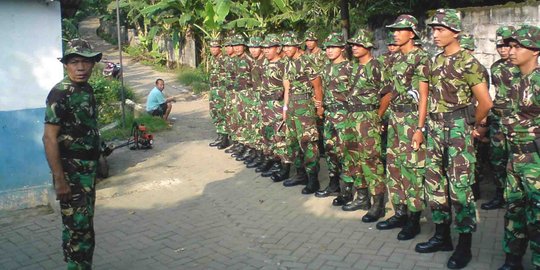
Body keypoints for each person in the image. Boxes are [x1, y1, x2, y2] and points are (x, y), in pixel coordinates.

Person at [414, 9, 492, 270]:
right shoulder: (433, 61)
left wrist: (472, 124)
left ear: (455, 32)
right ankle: (442, 236)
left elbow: (485, 102)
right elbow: (424, 98)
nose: (435, 34)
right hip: (434, 129)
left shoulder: (468, 63)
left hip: (457, 128)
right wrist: (420, 127)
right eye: (433, 30)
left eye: (441, 30)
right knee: (434, 184)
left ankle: (464, 245)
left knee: (460, 188)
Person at [42, 38, 102, 270]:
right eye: (75, 62)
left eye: (85, 62)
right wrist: (60, 180)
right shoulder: (60, 94)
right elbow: (49, 137)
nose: (80, 67)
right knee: (81, 232)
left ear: (93, 64)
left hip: (87, 172)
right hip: (71, 174)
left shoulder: (86, 89)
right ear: (66, 65)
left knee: (79, 226)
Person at [377, 14, 430, 240]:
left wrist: (420, 128)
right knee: (395, 166)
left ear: (412, 33)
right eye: (394, 30)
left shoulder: (421, 58)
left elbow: (424, 97)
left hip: (411, 121)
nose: (395, 33)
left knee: (413, 169)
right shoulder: (396, 59)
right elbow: (391, 91)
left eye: (400, 30)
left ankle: (413, 219)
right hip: (396, 119)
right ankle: (399, 211)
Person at [498, 24, 540, 270]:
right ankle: (512, 259)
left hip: (535, 159)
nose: (512, 51)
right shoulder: (512, 79)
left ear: (535, 51)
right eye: (510, 46)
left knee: (537, 216)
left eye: (518, 46)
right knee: (513, 210)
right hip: (514, 157)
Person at [343, 29, 387, 223]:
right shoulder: (353, 67)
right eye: (352, 45)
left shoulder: (376, 66)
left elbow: (387, 93)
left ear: (367, 47)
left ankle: (378, 203)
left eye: (358, 45)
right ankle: (362, 197)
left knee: (371, 159)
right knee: (354, 157)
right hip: (352, 115)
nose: (354, 48)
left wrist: (378, 116)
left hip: (368, 115)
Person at [279, 31, 323, 193]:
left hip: (305, 104)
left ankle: (313, 179)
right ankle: (300, 174)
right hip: (292, 105)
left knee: (308, 141)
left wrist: (319, 107)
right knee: (292, 141)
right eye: (284, 46)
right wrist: (285, 108)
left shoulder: (307, 61)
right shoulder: (288, 62)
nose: (286, 49)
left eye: (289, 45)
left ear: (297, 45)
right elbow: (287, 88)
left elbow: (317, 85)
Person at [481, 26, 519, 211]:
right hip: (498, 119)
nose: (503, 49)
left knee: (517, 159)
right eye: (499, 46)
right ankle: (500, 194)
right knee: (497, 159)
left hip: (517, 121)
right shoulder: (495, 67)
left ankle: (517, 197)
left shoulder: (522, 65)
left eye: (506, 45)